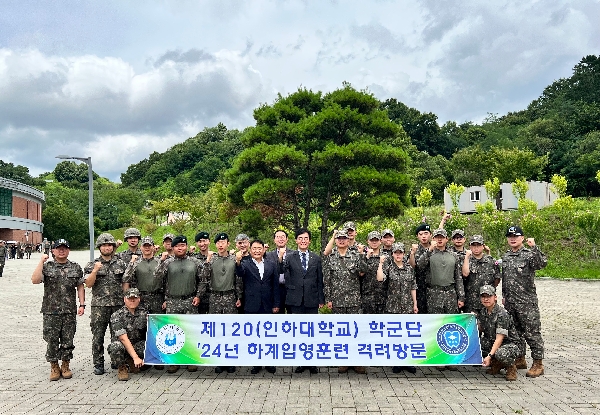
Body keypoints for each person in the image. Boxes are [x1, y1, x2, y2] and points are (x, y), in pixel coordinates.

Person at [31, 239, 85, 381]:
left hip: (69, 311)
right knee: (52, 340)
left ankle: (65, 365)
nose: (61, 250)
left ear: (68, 250)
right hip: (51, 311)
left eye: (64, 248)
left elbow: (80, 286)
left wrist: (82, 304)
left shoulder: (75, 267)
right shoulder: (47, 266)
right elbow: (35, 280)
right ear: (53, 251)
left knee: (68, 339)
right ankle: (54, 366)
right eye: (58, 248)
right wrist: (41, 262)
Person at [501, 225, 548, 378]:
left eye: (516, 236)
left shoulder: (529, 255)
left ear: (522, 238)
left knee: (532, 333)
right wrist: (504, 295)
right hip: (510, 302)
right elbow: (506, 279)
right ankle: (520, 358)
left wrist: (534, 247)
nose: (513, 239)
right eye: (510, 236)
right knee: (515, 333)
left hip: (526, 303)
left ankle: (538, 363)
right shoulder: (506, 256)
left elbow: (542, 263)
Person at [154, 235, 203, 373]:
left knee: (189, 331)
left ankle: (189, 360)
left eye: (182, 245)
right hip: (173, 300)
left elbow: (203, 280)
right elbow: (157, 277)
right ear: (173, 248)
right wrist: (161, 261)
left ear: (186, 246)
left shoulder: (195, 262)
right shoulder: (168, 262)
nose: (180, 248)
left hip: (190, 300)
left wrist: (198, 296)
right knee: (172, 332)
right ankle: (174, 361)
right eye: (177, 246)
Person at [279, 228, 324, 374]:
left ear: (309, 240)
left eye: (306, 238)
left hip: (311, 300)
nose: (303, 241)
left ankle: (311, 363)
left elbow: (319, 280)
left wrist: (320, 299)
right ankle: (300, 362)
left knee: (311, 332)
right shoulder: (289, 257)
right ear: (296, 240)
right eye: (300, 238)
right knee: (297, 332)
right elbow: (283, 276)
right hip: (295, 300)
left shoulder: (316, 258)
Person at [324, 229, 367, 374]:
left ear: (349, 240)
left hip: (354, 300)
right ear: (335, 240)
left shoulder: (355, 255)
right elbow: (327, 280)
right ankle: (343, 361)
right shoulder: (331, 257)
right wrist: (329, 299)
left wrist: (361, 255)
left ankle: (357, 362)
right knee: (341, 332)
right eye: (339, 238)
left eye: (344, 238)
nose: (341, 241)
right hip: (338, 300)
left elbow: (362, 272)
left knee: (356, 332)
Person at [84, 233, 128, 375]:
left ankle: (117, 360)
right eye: (104, 245)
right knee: (98, 336)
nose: (107, 247)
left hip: (118, 305)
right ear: (99, 247)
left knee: (118, 335)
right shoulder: (92, 264)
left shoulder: (121, 263)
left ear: (113, 247)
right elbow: (88, 284)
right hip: (99, 306)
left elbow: (125, 283)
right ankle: (98, 363)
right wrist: (96, 270)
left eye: (110, 245)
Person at [236, 239, 280, 374]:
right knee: (254, 335)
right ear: (250, 250)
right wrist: (237, 261)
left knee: (268, 335)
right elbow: (240, 273)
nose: (257, 251)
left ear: (263, 249)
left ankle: (269, 362)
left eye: (259, 248)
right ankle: (256, 363)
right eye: (254, 248)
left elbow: (275, 286)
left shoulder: (272, 265)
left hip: (267, 304)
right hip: (251, 304)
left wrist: (276, 304)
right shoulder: (245, 263)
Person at [200, 232, 242, 374]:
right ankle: (218, 360)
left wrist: (239, 297)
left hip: (230, 296)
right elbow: (204, 278)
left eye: (223, 242)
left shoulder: (233, 259)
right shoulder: (211, 259)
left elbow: (238, 280)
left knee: (230, 330)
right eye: (218, 242)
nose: (220, 244)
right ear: (215, 244)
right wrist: (207, 261)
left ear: (228, 244)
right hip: (215, 297)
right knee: (217, 330)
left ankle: (230, 360)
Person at [377, 242, 418, 374]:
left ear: (404, 254)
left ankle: (408, 362)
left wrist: (415, 304)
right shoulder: (389, 268)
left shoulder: (409, 268)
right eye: (396, 252)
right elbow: (380, 279)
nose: (398, 255)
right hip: (393, 307)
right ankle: (396, 361)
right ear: (392, 254)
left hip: (407, 306)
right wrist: (381, 264)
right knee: (395, 336)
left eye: (400, 252)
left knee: (407, 335)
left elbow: (413, 287)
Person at [478, 285, 521, 381]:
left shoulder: (502, 314)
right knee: (475, 344)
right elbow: (480, 329)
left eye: (489, 296)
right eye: (483, 297)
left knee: (501, 353)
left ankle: (511, 367)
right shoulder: (483, 312)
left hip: (509, 344)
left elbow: (499, 339)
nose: (486, 299)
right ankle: (497, 363)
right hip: (492, 341)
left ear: (495, 297)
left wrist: (489, 356)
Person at [107, 288, 147, 381]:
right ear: (124, 299)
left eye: (134, 298)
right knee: (115, 347)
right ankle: (122, 367)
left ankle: (132, 361)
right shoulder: (117, 315)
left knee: (149, 345)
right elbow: (123, 339)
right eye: (129, 298)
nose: (132, 300)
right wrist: (136, 357)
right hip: (123, 346)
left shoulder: (144, 313)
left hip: (136, 345)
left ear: (139, 299)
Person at [123, 236, 164, 314]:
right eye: (145, 246)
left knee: (157, 324)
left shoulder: (159, 262)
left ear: (153, 247)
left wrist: (166, 300)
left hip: (158, 298)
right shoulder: (135, 262)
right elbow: (126, 278)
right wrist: (131, 263)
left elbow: (166, 281)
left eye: (149, 246)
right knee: (141, 324)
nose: (147, 248)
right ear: (140, 247)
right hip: (141, 298)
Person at [462, 235, 500, 314]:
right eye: (473, 245)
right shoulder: (466, 261)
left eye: (478, 245)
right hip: (471, 303)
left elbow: (497, 278)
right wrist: (466, 257)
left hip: (487, 303)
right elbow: (465, 274)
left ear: (483, 246)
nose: (476, 248)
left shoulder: (491, 261)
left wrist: (489, 290)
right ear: (470, 247)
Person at [265, 230, 293, 314]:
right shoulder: (268, 255)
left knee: (293, 315)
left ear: (287, 239)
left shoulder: (294, 254)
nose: (280, 239)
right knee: (277, 315)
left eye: (282, 236)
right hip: (276, 290)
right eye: (278, 237)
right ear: (274, 240)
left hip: (291, 289)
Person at [362, 231, 388, 314]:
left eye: (376, 240)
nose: (374, 242)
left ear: (380, 241)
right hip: (367, 297)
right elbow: (360, 273)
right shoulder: (363, 256)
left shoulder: (386, 256)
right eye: (372, 240)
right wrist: (366, 257)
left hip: (382, 296)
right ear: (368, 241)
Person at [409, 223, 432, 314]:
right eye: (420, 234)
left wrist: (443, 220)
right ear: (417, 236)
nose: (423, 236)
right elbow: (413, 266)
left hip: (434, 289)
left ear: (430, 234)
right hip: (419, 288)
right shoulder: (415, 250)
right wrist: (412, 253)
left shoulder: (437, 248)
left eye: (426, 233)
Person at [191, 231, 212, 314]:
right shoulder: (193, 258)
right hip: (197, 297)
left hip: (213, 297)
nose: (202, 243)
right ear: (197, 243)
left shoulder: (216, 257)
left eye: (204, 241)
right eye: (200, 241)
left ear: (209, 241)